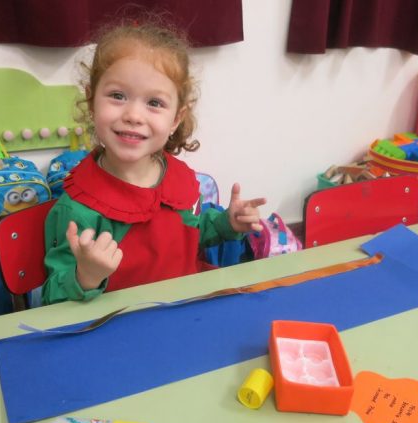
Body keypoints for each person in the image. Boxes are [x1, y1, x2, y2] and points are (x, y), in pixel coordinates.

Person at [42, 19, 266, 304]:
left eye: (154, 103)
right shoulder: (77, 209)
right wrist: (85, 276)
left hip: (188, 308)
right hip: (118, 324)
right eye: (117, 96)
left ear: (176, 119)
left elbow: (189, 235)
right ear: (91, 101)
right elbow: (51, 300)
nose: (134, 115)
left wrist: (227, 224)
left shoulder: (178, 178)